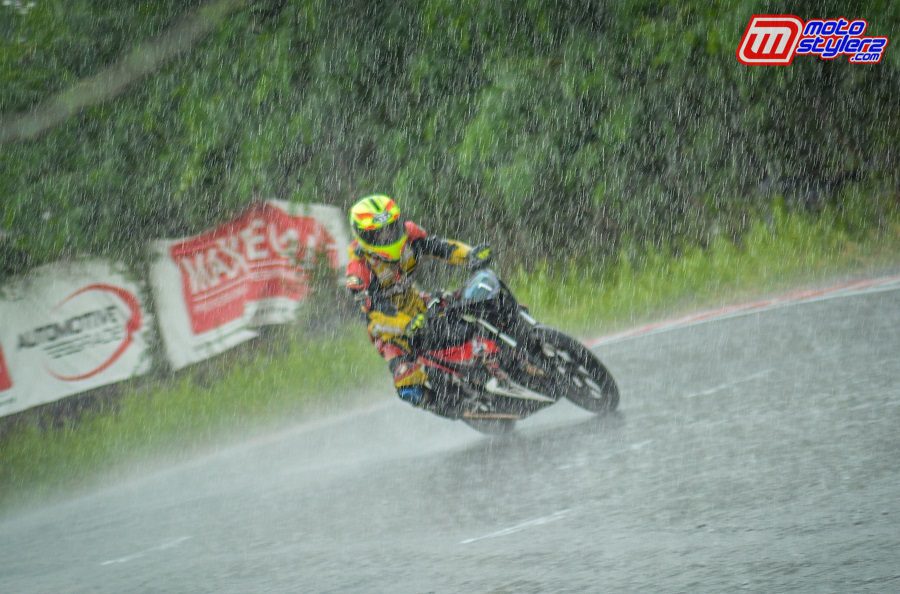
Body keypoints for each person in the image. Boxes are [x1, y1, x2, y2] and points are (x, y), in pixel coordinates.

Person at [344, 194, 491, 414]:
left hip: (417, 302)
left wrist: (470, 255)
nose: (387, 236)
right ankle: (452, 408)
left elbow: (439, 246)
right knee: (407, 386)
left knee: (470, 303)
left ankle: (502, 343)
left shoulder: (409, 234)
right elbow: (374, 312)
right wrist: (407, 324)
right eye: (379, 234)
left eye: (391, 228)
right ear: (364, 236)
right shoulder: (358, 268)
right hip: (388, 328)